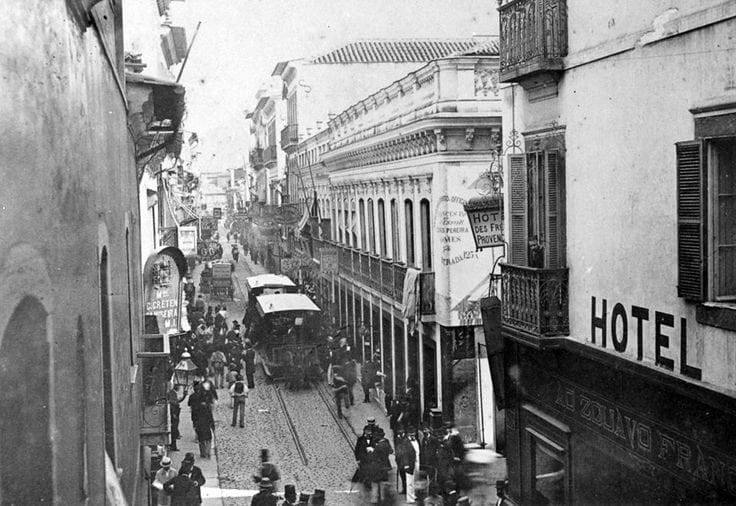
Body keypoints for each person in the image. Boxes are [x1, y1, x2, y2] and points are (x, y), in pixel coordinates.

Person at [167, 385, 186, 452]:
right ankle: (173, 446)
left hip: (175, 413)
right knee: (174, 430)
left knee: (175, 429)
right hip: (174, 414)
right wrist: (174, 414)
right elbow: (174, 402)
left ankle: (173, 444)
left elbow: (177, 401)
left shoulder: (173, 393)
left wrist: (184, 395)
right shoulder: (172, 393)